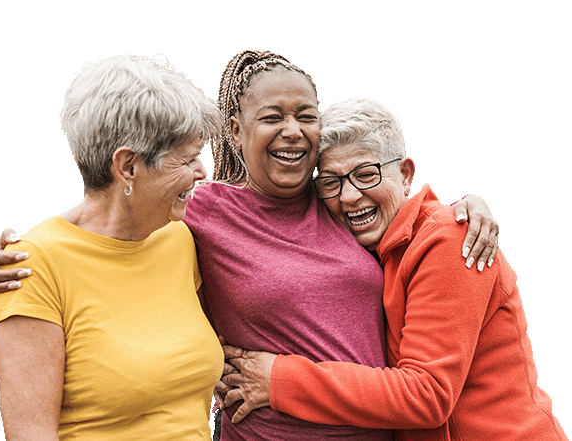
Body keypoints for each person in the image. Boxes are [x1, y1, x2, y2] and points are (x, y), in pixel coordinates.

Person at [0, 51, 499, 441]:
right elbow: (111, 213)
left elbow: (398, 205)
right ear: (236, 128)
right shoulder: (199, 214)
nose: (292, 131)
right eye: (272, 117)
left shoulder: (337, 200)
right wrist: (23, 247)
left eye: (306, 116)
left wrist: (467, 205)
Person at [215, 97, 568, 440]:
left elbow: (427, 395)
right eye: (331, 182)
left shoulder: (448, 241)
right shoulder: (372, 247)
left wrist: (278, 379)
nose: (350, 196)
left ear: (405, 174)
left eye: (366, 174)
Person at [0, 55, 224, 440]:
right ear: (127, 166)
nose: (202, 173)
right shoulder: (31, 268)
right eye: (188, 158)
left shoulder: (179, 236)